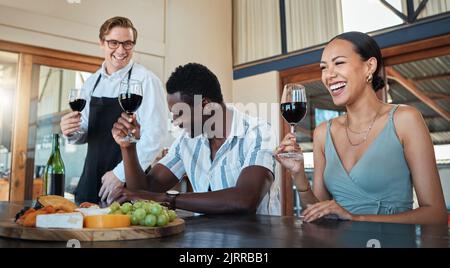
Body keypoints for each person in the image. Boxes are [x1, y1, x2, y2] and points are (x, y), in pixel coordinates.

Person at [275, 31, 447, 225]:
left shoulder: (405, 120)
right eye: (324, 67)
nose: (328, 75)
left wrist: (356, 218)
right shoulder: (323, 133)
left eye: (339, 63)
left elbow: (436, 214)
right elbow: (319, 214)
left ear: (369, 66)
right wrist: (298, 176)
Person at [110, 63, 280, 215]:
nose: (175, 123)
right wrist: (128, 147)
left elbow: (245, 199)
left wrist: (168, 199)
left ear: (205, 105)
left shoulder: (259, 133)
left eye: (180, 114)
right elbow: (144, 191)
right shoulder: (187, 141)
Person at [60, 17, 168, 204]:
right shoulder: (91, 83)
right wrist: (70, 131)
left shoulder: (146, 80)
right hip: (90, 179)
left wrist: (121, 174)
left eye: (127, 44)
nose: (121, 50)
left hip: (127, 184)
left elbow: (155, 136)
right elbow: (85, 132)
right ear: (102, 43)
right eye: (113, 43)